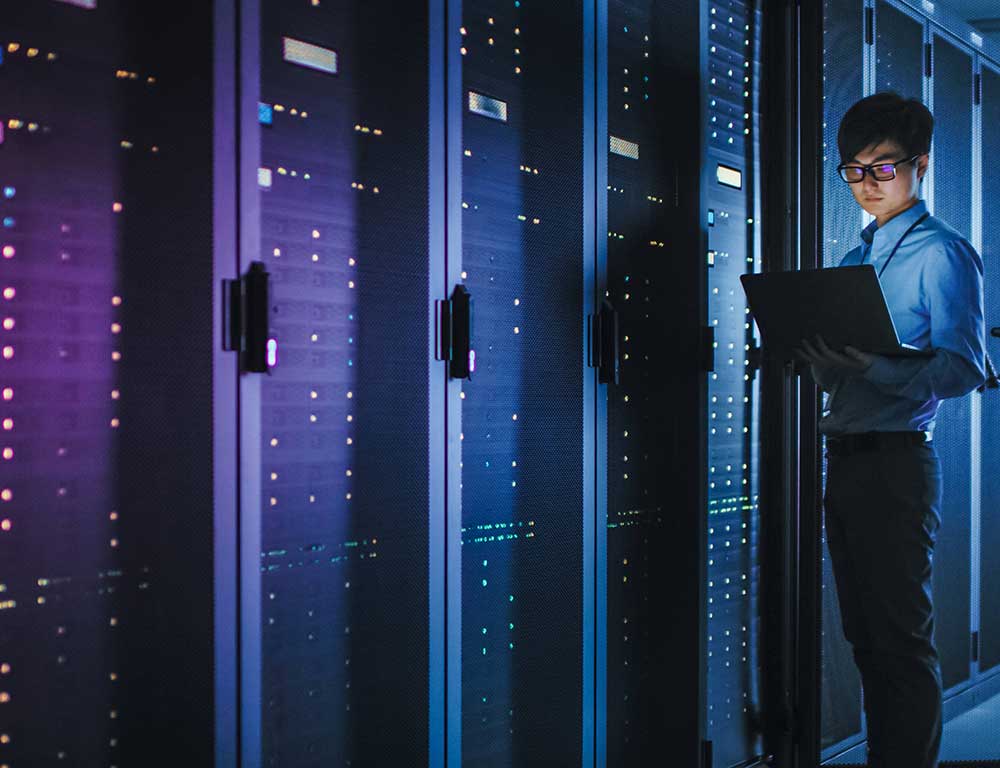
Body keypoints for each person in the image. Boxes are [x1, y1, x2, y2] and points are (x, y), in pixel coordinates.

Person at [797, 91, 987, 768]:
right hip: (845, 461)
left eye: (884, 167)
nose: (868, 185)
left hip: (896, 467)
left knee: (901, 643)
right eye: (854, 170)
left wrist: (873, 369)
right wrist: (824, 365)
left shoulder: (942, 255)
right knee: (867, 640)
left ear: (921, 165)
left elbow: (965, 368)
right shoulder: (854, 261)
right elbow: (847, 372)